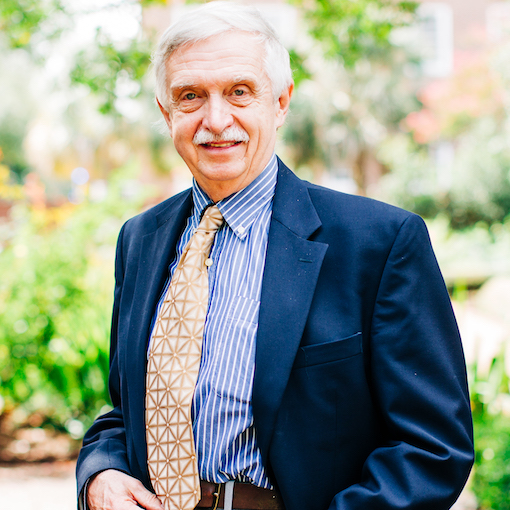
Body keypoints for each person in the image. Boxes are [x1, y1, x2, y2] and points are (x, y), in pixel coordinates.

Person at [76, 3, 474, 510]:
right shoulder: (140, 239)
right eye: (190, 96)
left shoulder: (380, 243)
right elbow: (126, 410)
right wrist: (101, 473)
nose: (215, 120)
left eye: (239, 92)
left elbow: (432, 448)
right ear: (166, 112)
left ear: (281, 101)